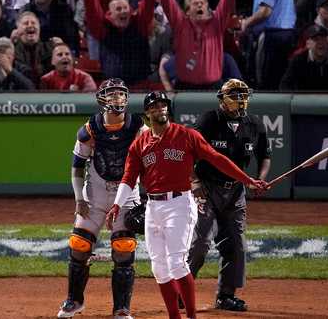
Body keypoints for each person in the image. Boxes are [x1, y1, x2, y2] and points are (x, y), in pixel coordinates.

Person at [105, 91, 269, 319]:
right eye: (154, 106)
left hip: (179, 203)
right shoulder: (139, 144)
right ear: (147, 113)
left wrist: (247, 180)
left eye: (163, 105)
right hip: (153, 206)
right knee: (159, 269)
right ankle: (175, 316)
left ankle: (190, 316)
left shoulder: (186, 135)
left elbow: (217, 159)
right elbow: (128, 177)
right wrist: (116, 205)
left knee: (177, 263)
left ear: (167, 109)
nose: (159, 108)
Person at [57, 78, 144, 319]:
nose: (118, 99)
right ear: (102, 99)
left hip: (126, 194)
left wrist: (149, 194)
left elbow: (150, 161)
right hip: (94, 193)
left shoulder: (139, 127)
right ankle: (74, 301)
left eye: (121, 94)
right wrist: (78, 199)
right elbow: (77, 166)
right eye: (112, 94)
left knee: (124, 248)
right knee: (79, 245)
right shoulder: (90, 129)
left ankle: (121, 308)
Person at [184, 79, 271, 312]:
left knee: (236, 244)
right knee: (200, 243)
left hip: (235, 191)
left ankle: (226, 295)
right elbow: (187, 151)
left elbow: (265, 155)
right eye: (235, 95)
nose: (241, 100)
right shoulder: (209, 120)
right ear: (223, 99)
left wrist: (260, 178)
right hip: (207, 187)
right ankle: (182, 290)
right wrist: (194, 181)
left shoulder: (254, 124)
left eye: (244, 95)